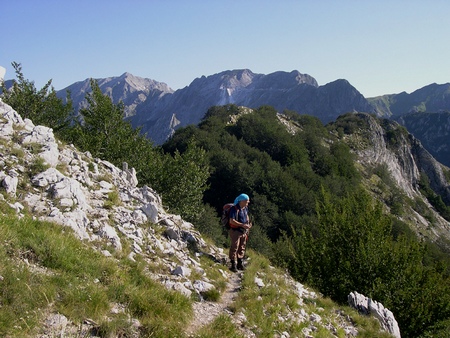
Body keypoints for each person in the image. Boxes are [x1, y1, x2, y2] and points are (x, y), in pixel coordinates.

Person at [228, 193, 252, 272]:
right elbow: (232, 221)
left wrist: (247, 224)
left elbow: (246, 216)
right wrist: (242, 225)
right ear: (241, 201)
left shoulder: (245, 208)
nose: (248, 202)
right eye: (246, 201)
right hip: (236, 231)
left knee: (242, 247)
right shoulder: (234, 209)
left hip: (243, 231)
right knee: (234, 247)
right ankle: (233, 264)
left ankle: (239, 263)